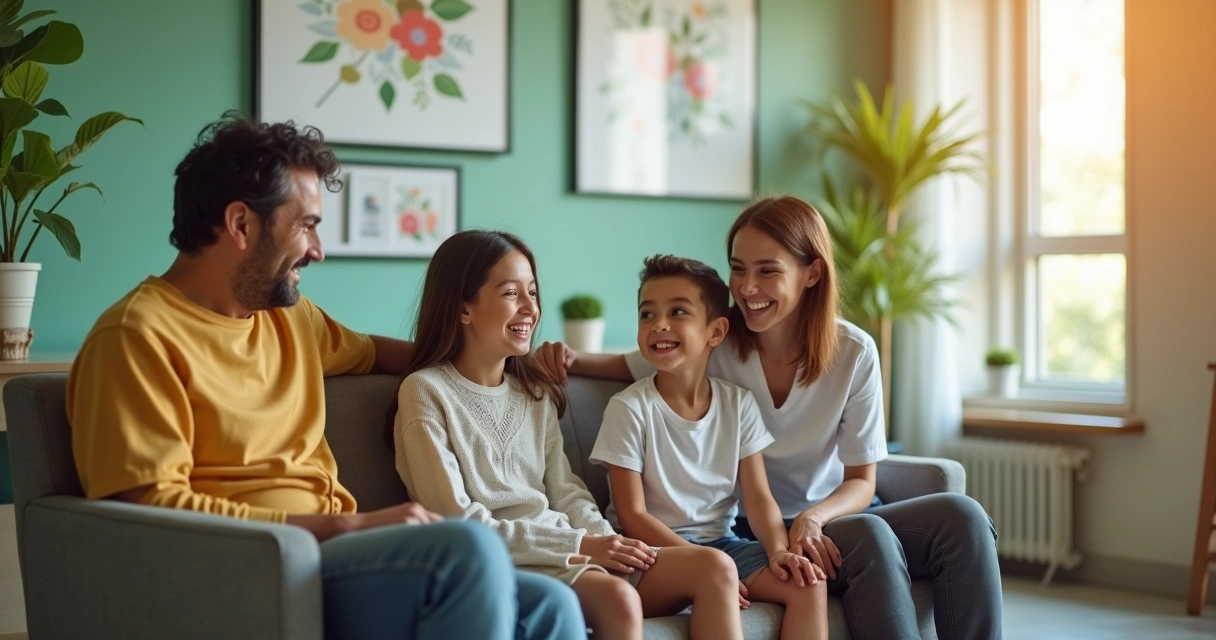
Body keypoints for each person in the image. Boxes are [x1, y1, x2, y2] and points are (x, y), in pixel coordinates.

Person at [66, 112, 585, 640]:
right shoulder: (137, 336)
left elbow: (381, 353)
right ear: (241, 224)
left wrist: (504, 364)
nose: (318, 250)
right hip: (247, 567)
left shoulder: (288, 317)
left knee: (551, 604)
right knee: (467, 547)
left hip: (331, 554)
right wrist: (345, 525)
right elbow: (148, 511)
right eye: (307, 225)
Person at [537, 195, 1003, 640]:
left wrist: (814, 520)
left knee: (963, 516)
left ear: (811, 273)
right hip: (755, 529)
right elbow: (636, 361)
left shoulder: (854, 352)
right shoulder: (717, 342)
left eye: (767, 271)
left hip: (828, 515)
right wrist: (566, 358)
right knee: (868, 533)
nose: (747, 288)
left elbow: (863, 479)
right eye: (738, 269)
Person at [392, 230, 745, 640]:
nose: (530, 309)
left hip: (576, 550)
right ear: (463, 308)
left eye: (533, 293)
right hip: (515, 561)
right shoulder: (426, 391)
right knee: (618, 597)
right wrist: (581, 545)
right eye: (511, 294)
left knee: (716, 566)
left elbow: (567, 493)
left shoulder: (534, 394)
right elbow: (457, 521)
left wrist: (607, 542)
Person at [589, 255, 829, 639]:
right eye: (647, 314)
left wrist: (780, 550)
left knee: (807, 580)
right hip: (649, 553)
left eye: (678, 311)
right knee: (714, 569)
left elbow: (759, 499)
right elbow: (632, 515)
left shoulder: (739, 405)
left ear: (715, 332)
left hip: (722, 546)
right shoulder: (629, 408)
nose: (659, 325)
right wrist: (701, 560)